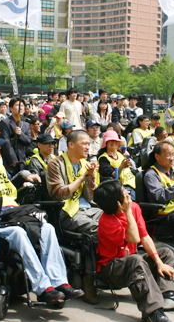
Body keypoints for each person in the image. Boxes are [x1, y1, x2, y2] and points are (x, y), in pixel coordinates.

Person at [0, 130, 84, 303]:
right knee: (18, 233)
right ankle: (43, 287)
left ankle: (60, 282)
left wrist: (23, 177)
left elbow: (10, 188)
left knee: (48, 228)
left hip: (16, 213)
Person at [94, 180, 174, 322]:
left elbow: (144, 236)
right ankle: (153, 313)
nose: (127, 193)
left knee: (165, 252)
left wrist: (158, 262)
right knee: (135, 259)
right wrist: (127, 211)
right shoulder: (106, 220)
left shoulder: (134, 207)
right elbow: (134, 238)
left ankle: (168, 296)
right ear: (116, 202)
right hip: (111, 270)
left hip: (131, 262)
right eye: (123, 192)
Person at [46, 130, 103, 304]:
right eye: (84, 143)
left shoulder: (87, 164)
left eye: (89, 143)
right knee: (97, 231)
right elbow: (60, 193)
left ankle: (111, 270)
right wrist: (83, 177)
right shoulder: (55, 164)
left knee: (117, 221)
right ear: (71, 145)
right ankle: (89, 279)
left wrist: (91, 178)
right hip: (68, 213)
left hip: (90, 209)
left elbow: (93, 197)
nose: (88, 146)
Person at [98, 130, 137, 200]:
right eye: (111, 140)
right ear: (106, 143)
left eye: (116, 140)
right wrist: (121, 167)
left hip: (133, 182)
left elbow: (130, 170)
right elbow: (112, 175)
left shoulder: (120, 155)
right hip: (121, 187)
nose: (114, 142)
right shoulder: (103, 159)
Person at [0, 99, 31, 176]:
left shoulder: (26, 124)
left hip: (22, 160)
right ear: (10, 108)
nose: (20, 107)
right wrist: (12, 159)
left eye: (22, 106)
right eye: (17, 105)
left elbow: (28, 141)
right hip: (10, 161)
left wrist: (21, 134)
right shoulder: (5, 122)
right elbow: (5, 142)